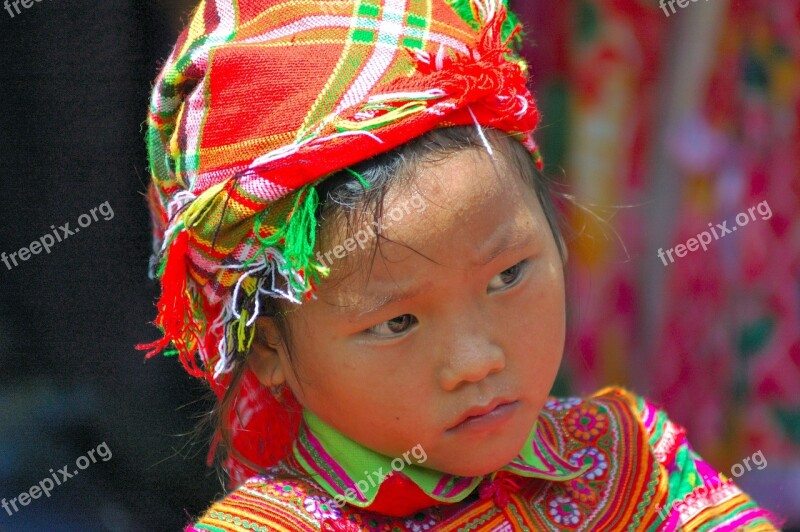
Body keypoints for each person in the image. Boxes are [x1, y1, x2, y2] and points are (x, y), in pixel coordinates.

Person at [140, 0, 781, 529]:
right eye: (398, 322)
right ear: (269, 346)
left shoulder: (630, 462)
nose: (477, 361)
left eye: (508, 275)